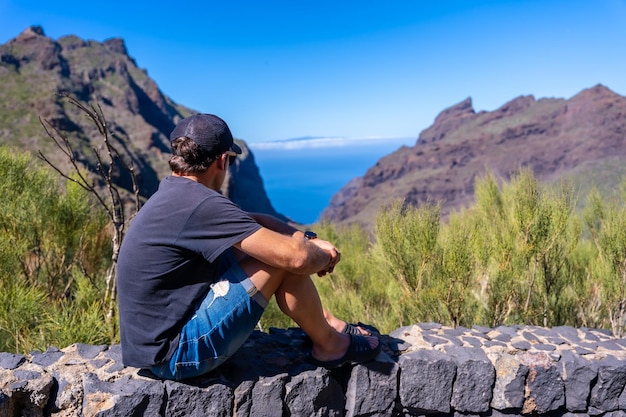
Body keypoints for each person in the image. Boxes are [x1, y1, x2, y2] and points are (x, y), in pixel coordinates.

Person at [116, 113, 381, 380]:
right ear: (222, 161)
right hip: (175, 355)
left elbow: (250, 221)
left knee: (271, 247)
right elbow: (297, 259)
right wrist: (324, 256)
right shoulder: (200, 203)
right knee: (281, 256)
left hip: (155, 346)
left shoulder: (178, 193)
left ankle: (329, 326)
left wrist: (304, 237)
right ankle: (330, 346)